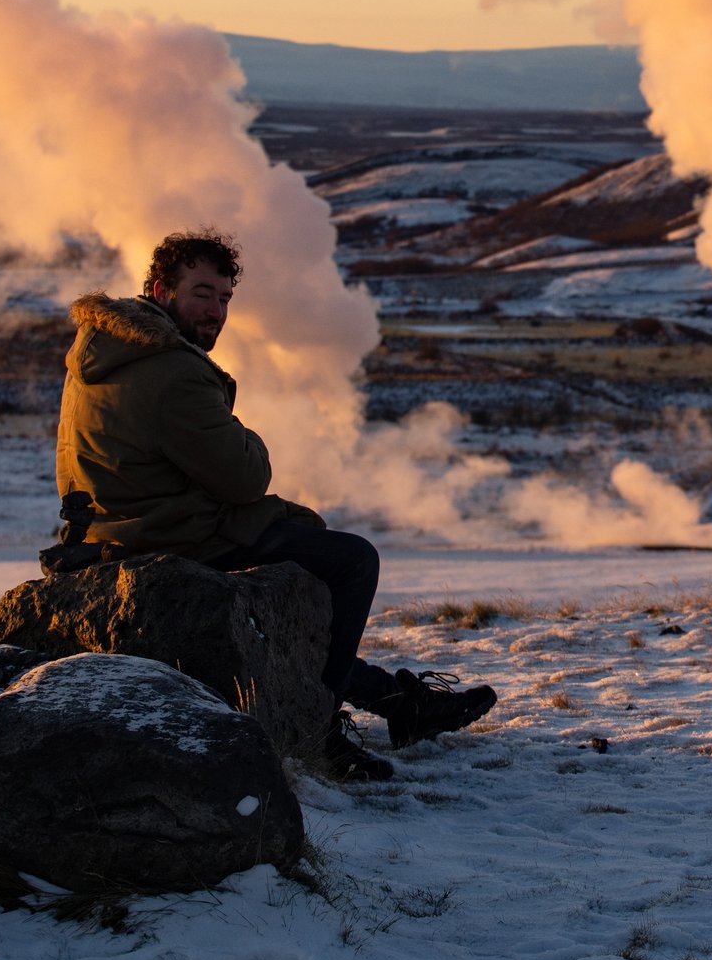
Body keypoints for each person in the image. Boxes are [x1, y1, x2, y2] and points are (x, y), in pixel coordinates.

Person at [55, 228, 495, 780]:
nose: (215, 311)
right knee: (352, 560)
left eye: (224, 299)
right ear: (161, 290)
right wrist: (249, 437)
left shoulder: (100, 350)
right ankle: (321, 730)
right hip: (166, 534)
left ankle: (402, 704)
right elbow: (246, 479)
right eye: (202, 293)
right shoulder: (172, 371)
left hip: (109, 529)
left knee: (304, 554)